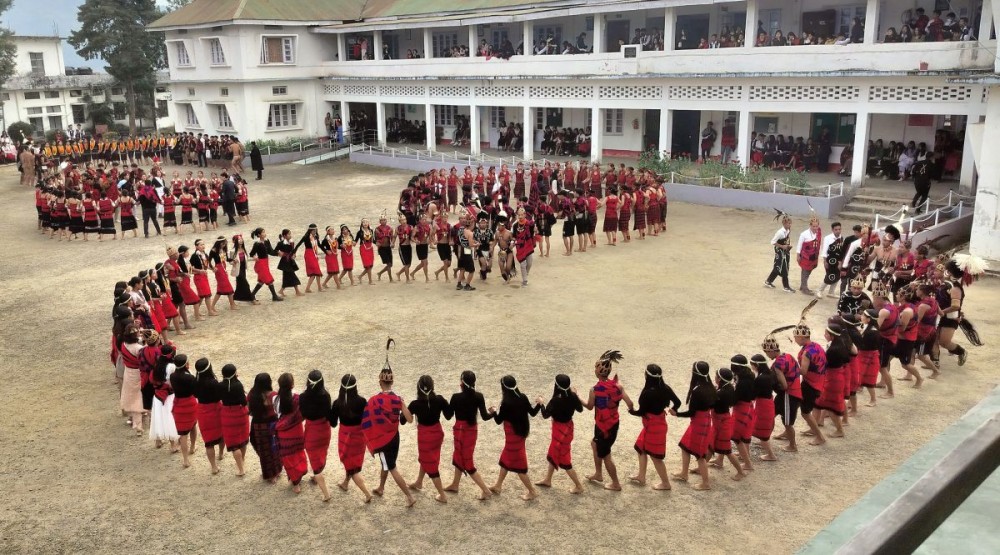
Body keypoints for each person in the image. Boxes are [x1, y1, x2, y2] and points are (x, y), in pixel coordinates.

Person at [362, 350, 417, 508]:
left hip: (383, 439)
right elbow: (410, 419)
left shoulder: (374, 400)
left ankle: (409, 496)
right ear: (392, 383)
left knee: (391, 466)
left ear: (380, 382)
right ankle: (381, 487)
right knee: (386, 463)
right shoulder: (397, 399)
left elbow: (367, 420)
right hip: (395, 437)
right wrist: (403, 404)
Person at [582, 350, 634, 491]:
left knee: (606, 455)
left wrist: (576, 397)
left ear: (598, 371)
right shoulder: (617, 386)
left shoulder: (595, 390)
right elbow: (630, 404)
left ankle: (616, 483)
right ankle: (598, 474)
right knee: (594, 444)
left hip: (603, 427)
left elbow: (589, 406)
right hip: (613, 423)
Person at [444, 370, 495, 501]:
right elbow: (484, 416)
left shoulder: (456, 397)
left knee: (467, 462)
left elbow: (448, 416)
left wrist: (444, 404)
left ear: (462, 383)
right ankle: (455, 484)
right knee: (459, 456)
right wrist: (493, 413)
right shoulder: (479, 396)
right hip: (472, 431)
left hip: (460, 431)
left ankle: (486, 490)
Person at [628, 364, 681, 490]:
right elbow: (677, 402)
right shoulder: (665, 388)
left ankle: (666, 483)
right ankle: (641, 476)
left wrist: (631, 410)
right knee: (641, 448)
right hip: (658, 424)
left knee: (656, 458)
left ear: (647, 376)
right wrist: (673, 410)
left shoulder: (647, 393)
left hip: (653, 428)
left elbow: (641, 412)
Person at [489, 375, 542, 501]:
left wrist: (493, 411)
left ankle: (532, 491)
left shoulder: (506, 403)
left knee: (519, 466)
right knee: (506, 460)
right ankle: (498, 485)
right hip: (520, 434)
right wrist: (539, 404)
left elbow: (498, 420)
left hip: (512, 437)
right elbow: (533, 413)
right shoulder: (522, 397)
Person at [405, 375, 453, 503]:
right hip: (437, 433)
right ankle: (419, 482)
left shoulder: (415, 404)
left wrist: (402, 406)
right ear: (433, 387)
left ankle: (442, 495)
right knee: (428, 459)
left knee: (430, 464)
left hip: (425, 436)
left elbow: (403, 420)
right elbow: (449, 415)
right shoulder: (440, 399)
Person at [534, 374, 585, 493]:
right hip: (568, 428)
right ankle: (548, 479)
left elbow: (545, 415)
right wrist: (576, 395)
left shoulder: (555, 400)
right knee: (554, 453)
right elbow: (580, 409)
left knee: (564, 459)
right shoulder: (572, 396)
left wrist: (541, 403)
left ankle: (579, 486)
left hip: (558, 430)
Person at [673, 361, 717, 490]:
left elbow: (691, 412)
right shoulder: (711, 386)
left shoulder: (697, 390)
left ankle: (706, 483)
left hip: (699, 423)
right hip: (704, 420)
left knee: (700, 455)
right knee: (685, 446)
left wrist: (677, 414)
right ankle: (684, 473)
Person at [329, 373, 373, 503]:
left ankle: (367, 494)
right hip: (359, 436)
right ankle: (345, 483)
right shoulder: (362, 401)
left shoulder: (337, 403)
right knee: (352, 463)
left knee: (351, 467)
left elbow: (333, 423)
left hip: (345, 436)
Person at [299, 370, 333, 501]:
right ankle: (316, 474)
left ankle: (326, 494)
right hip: (324, 429)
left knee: (314, 459)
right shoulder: (326, 396)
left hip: (312, 429)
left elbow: (302, 413)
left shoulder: (303, 397)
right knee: (322, 453)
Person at [793, 322, 828, 446]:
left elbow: (803, 371)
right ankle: (811, 430)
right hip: (819, 381)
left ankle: (820, 437)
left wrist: (791, 366)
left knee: (805, 412)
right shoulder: (816, 346)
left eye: (796, 337)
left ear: (802, 338)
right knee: (798, 406)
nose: (795, 339)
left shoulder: (807, 353)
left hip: (811, 384)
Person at [274, 373, 308, 494]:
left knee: (288, 457)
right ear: (292, 384)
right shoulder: (298, 398)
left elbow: (277, 415)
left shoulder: (275, 399)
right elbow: (302, 415)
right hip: (297, 431)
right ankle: (299, 474)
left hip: (283, 434)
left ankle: (295, 481)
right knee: (298, 453)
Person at [193, 358, 225, 474]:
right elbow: (219, 396)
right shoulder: (213, 382)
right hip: (216, 409)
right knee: (222, 434)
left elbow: (195, 394)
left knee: (208, 441)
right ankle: (221, 453)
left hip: (202, 411)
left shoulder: (195, 382)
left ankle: (213, 467)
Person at [218, 364, 250, 477]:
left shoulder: (220, 385)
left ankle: (241, 469)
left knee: (234, 444)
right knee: (243, 439)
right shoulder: (238, 385)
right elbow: (244, 401)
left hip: (227, 414)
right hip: (240, 413)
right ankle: (242, 460)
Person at [169, 355, 199, 469]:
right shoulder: (190, 378)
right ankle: (192, 447)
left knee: (182, 434)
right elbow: (195, 391)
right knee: (193, 426)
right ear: (186, 365)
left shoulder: (172, 376)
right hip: (190, 403)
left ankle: (185, 459)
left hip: (178, 404)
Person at [749, 354, 780, 462]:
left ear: (756, 365)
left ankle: (771, 455)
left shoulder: (760, 378)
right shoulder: (770, 373)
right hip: (769, 402)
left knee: (761, 433)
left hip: (762, 405)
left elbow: (752, 395)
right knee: (761, 430)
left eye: (752, 365)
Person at [249, 228, 283, 301]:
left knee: (262, 280)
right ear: (259, 235)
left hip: (265, 262)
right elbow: (251, 253)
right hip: (260, 263)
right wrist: (254, 257)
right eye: (263, 232)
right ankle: (274, 296)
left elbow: (270, 251)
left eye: (264, 232)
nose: (264, 233)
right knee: (269, 279)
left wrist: (277, 253)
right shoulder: (257, 243)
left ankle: (252, 295)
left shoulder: (267, 241)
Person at [765, 213, 794, 291]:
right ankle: (785, 286)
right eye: (789, 223)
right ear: (784, 223)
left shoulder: (788, 230)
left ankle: (769, 281)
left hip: (785, 251)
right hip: (779, 251)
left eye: (791, 223)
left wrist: (788, 246)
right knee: (779, 267)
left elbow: (786, 240)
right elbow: (773, 242)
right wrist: (782, 246)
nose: (790, 225)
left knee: (784, 266)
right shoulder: (780, 232)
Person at [796, 212, 822, 295]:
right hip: (805, 256)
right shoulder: (804, 234)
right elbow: (799, 245)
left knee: (809, 270)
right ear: (810, 225)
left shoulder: (818, 232)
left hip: (814, 256)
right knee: (805, 271)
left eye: (816, 226)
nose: (815, 228)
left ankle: (802, 285)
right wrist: (798, 255)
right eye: (813, 226)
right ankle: (804, 288)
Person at [818, 222, 844, 299]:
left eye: (839, 229)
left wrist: (840, 262)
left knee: (837, 275)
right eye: (836, 229)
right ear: (832, 230)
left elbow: (841, 251)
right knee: (829, 275)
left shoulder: (842, 238)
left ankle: (831, 292)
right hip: (830, 260)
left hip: (838, 261)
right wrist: (825, 261)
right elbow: (824, 250)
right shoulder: (828, 238)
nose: (838, 231)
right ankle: (820, 290)